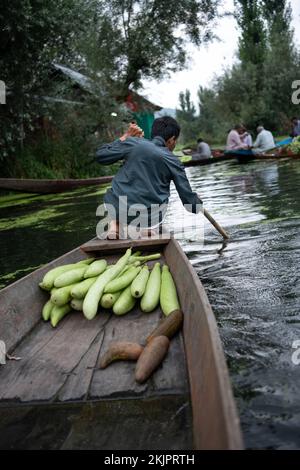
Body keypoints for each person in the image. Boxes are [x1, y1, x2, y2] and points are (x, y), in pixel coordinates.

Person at [96, 117, 203, 239]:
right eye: (176, 140)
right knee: (154, 211)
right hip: (149, 217)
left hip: (117, 208)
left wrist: (126, 136)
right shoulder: (174, 161)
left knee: (116, 195)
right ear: (172, 139)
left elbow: (101, 155)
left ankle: (114, 224)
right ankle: (148, 229)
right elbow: (191, 206)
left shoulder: (133, 143)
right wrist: (197, 201)